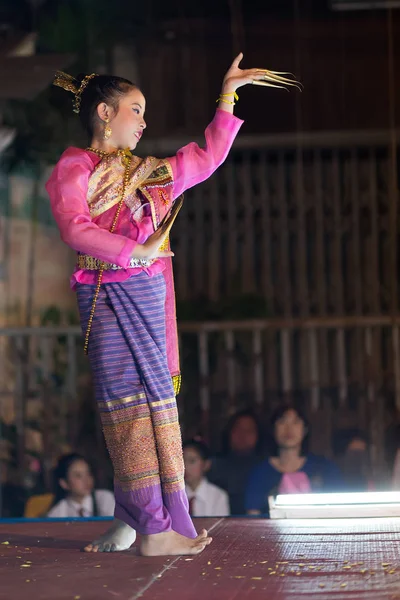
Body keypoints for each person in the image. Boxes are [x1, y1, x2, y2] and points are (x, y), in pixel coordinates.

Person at [46, 54, 299, 555]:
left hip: (147, 297)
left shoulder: (151, 174)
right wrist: (134, 251)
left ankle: (135, 519)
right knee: (128, 410)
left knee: (155, 409)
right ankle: (154, 530)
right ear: (104, 112)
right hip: (107, 295)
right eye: (135, 110)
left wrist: (227, 97)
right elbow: (74, 226)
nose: (143, 121)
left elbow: (206, 158)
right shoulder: (75, 165)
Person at [246, 405, 343, 516]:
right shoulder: (260, 473)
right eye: (282, 421)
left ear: (305, 429)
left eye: (295, 422)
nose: (289, 428)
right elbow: (252, 518)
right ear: (273, 429)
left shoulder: (325, 469)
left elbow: (339, 511)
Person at [208, 408, 263, 515]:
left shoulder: (265, 468)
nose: (242, 435)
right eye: (238, 429)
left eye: (249, 431)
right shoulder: (214, 466)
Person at [47, 453, 114, 518]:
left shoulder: (105, 498)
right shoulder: (57, 514)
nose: (86, 480)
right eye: (78, 476)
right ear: (64, 483)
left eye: (88, 473)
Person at [183, 439, 230, 517]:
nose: (185, 467)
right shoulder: (174, 496)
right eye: (182, 461)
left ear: (206, 464)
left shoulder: (218, 496)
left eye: (192, 461)